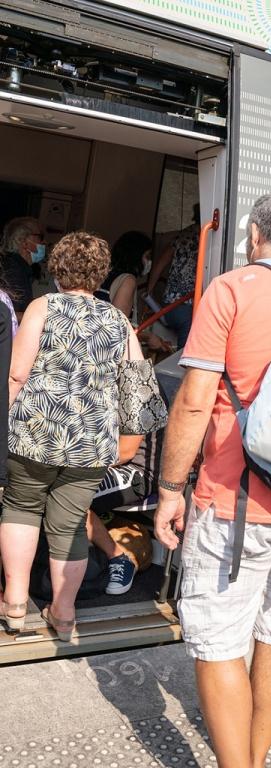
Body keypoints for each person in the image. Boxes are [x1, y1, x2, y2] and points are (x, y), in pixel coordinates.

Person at [154, 193, 271, 768]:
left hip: (236, 501)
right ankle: (254, 760)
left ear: (257, 236)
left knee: (218, 641)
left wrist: (169, 489)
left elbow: (194, 402)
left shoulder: (232, 288)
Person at [0, 231, 143, 640]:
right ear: (101, 273)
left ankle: (14, 604)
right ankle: (64, 615)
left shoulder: (42, 307)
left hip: (35, 433)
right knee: (69, 526)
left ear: (57, 269)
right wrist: (127, 438)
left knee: (22, 509)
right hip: (91, 443)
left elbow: (17, 374)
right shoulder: (118, 319)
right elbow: (136, 385)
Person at [88, 429, 163, 595]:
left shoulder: (138, 409)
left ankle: (119, 558)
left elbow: (125, 452)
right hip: (100, 461)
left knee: (72, 495)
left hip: (137, 471)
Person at [147, 204, 200, 349]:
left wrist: (149, 292)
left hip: (169, 306)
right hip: (188, 307)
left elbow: (160, 264)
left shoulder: (182, 235)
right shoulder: (209, 238)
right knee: (184, 353)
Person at [0, 217, 44, 320]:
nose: (44, 242)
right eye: (40, 237)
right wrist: (43, 318)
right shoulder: (12, 270)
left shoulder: (18, 267)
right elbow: (8, 314)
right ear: (24, 242)